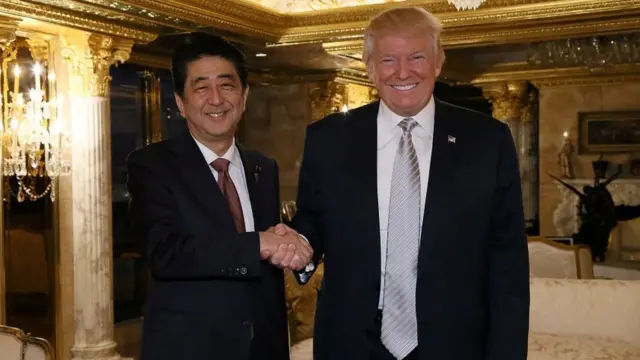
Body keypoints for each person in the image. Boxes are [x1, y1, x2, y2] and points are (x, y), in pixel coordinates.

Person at [280, 6, 530, 360]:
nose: (402, 72)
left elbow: (508, 265)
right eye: (387, 60)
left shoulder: (487, 140)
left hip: (455, 345)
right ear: (369, 67)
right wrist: (301, 241)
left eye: (416, 57)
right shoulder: (329, 139)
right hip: (351, 343)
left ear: (438, 62)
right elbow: (314, 219)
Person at [126, 32, 312, 360]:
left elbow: (264, 261)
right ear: (182, 104)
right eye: (201, 87)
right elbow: (164, 253)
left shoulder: (263, 167)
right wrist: (258, 243)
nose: (216, 99)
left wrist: (289, 246)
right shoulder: (151, 165)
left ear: (244, 96)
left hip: (263, 346)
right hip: (189, 348)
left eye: (226, 85)